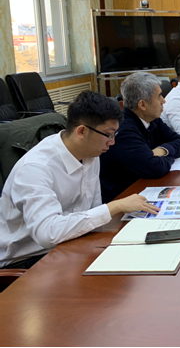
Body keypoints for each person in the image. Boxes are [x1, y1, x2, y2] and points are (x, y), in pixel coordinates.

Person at [0, 91, 159, 269]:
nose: (112, 142)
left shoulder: (90, 153)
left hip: (70, 243)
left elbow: (92, 211)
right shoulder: (35, 168)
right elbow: (47, 234)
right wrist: (114, 207)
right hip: (25, 259)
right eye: (108, 135)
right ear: (82, 131)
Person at [100, 72, 180, 203]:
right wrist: (169, 157)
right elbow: (155, 168)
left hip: (142, 189)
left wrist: (163, 150)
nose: (164, 100)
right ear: (142, 105)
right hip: (122, 199)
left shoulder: (152, 119)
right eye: (159, 96)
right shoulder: (124, 130)